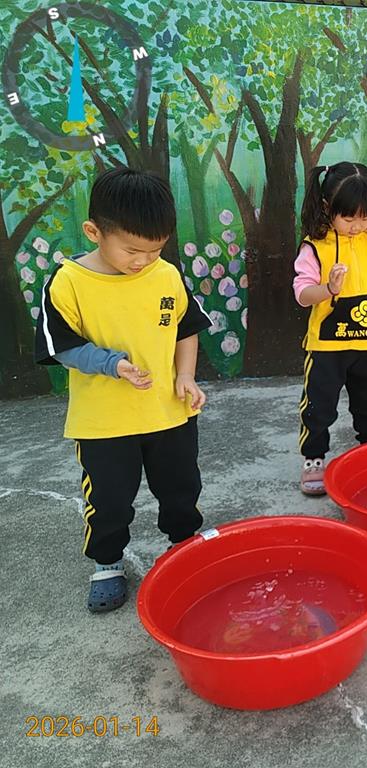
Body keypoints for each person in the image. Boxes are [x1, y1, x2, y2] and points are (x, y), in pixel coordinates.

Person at [34, 168, 211, 613]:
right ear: (94, 232)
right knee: (108, 499)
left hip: (169, 412)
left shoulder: (166, 275)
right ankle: (108, 564)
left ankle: (183, 545)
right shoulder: (68, 281)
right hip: (103, 423)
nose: (143, 261)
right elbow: (61, 347)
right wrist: (111, 364)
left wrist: (186, 375)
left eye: (155, 249)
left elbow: (186, 328)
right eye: (132, 250)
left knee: (181, 488)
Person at [293, 161, 367, 495]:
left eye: (365, 217)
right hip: (327, 348)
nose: (357, 226)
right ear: (326, 207)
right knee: (318, 406)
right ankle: (314, 459)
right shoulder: (314, 247)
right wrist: (328, 289)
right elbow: (302, 294)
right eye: (348, 218)